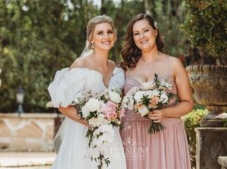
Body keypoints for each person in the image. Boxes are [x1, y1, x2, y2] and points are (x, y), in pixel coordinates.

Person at [48, 15, 127, 169]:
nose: (106, 37)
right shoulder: (80, 64)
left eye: (109, 32)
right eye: (100, 33)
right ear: (91, 38)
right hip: (82, 134)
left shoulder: (115, 68)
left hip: (110, 135)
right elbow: (62, 105)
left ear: (115, 36)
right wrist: (91, 122)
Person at [120, 13, 194, 169]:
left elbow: (188, 104)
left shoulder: (174, 64)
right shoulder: (126, 67)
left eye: (145, 30)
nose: (142, 36)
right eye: (136, 33)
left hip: (166, 135)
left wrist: (164, 113)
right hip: (134, 135)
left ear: (155, 31)